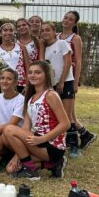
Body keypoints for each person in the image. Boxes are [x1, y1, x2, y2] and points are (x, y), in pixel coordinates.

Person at [1, 60, 70, 180]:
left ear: (46, 75)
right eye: (30, 72)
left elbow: (66, 124)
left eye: (38, 72)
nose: (33, 75)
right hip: (37, 142)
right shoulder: (31, 98)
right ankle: (54, 164)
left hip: (52, 145)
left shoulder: (50, 95)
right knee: (10, 169)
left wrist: (42, 139)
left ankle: (29, 169)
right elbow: (25, 128)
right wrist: (17, 155)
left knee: (8, 129)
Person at [59, 11, 96, 151]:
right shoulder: (56, 36)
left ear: (74, 23)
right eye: (65, 18)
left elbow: (79, 61)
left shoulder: (75, 38)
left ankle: (72, 142)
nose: (67, 21)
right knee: (70, 113)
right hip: (59, 77)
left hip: (69, 78)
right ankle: (86, 135)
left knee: (68, 114)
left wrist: (76, 82)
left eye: (70, 19)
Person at [40, 22, 75, 158]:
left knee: (67, 116)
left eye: (48, 30)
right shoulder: (44, 48)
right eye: (43, 30)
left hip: (65, 82)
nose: (45, 32)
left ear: (54, 31)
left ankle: (73, 145)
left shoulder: (62, 43)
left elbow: (68, 62)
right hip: (52, 85)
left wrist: (61, 82)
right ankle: (59, 145)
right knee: (56, 116)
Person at [0, 22, 30, 93]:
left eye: (11, 30)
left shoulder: (22, 48)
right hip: (5, 85)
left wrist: (28, 85)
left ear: (14, 33)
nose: (8, 33)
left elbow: (28, 68)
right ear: (0, 33)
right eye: (5, 30)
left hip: (21, 85)